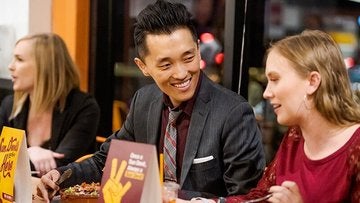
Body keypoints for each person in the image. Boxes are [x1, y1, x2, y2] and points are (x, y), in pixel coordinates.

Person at [36, 0, 265, 202]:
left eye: (189, 57)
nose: (182, 73)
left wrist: (167, 195)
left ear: (198, 49)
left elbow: (246, 198)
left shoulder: (233, 113)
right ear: (142, 66)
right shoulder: (144, 101)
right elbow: (108, 161)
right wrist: (60, 176)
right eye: (166, 65)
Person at [181, 29, 360, 203]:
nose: (266, 93)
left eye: (275, 80)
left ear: (312, 82)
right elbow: (260, 197)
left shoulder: (356, 148)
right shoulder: (295, 136)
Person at [0, 33, 100, 177]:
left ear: (45, 67)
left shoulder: (84, 107)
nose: (10, 66)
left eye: (19, 59)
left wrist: (16, 157)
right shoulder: (9, 105)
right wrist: (29, 152)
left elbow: (63, 167)